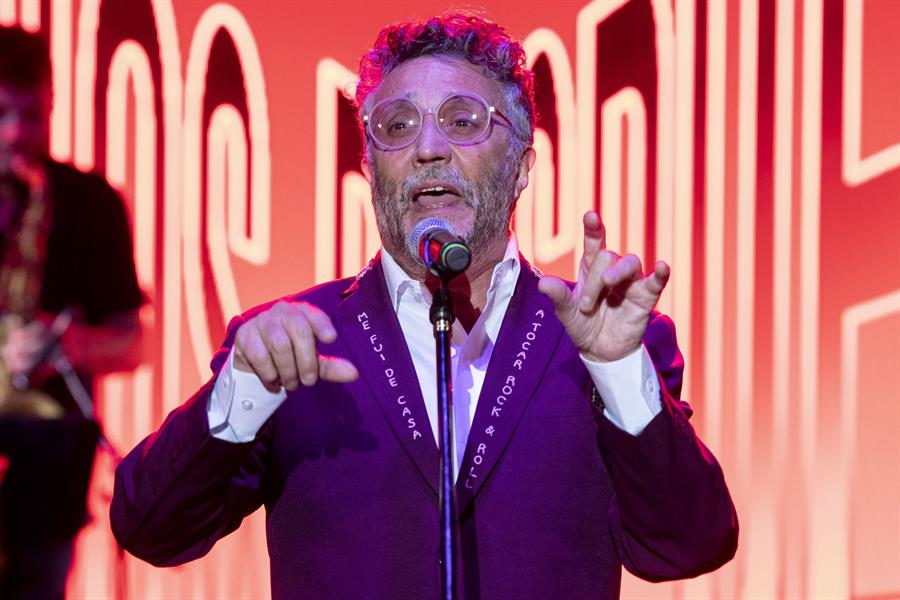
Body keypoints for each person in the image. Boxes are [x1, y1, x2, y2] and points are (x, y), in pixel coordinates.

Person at [111, 14, 737, 598]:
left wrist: (618, 372)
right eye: (398, 126)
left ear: (522, 165)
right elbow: (151, 529)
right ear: (369, 166)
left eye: (463, 121)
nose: (428, 147)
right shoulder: (291, 345)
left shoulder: (606, 341)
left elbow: (688, 546)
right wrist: (241, 391)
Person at [0, 26, 145, 599]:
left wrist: (67, 345)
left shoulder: (91, 202)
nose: (16, 133)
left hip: (47, 465)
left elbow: (133, 342)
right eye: (2, 114)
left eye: (31, 116)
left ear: (53, 104)